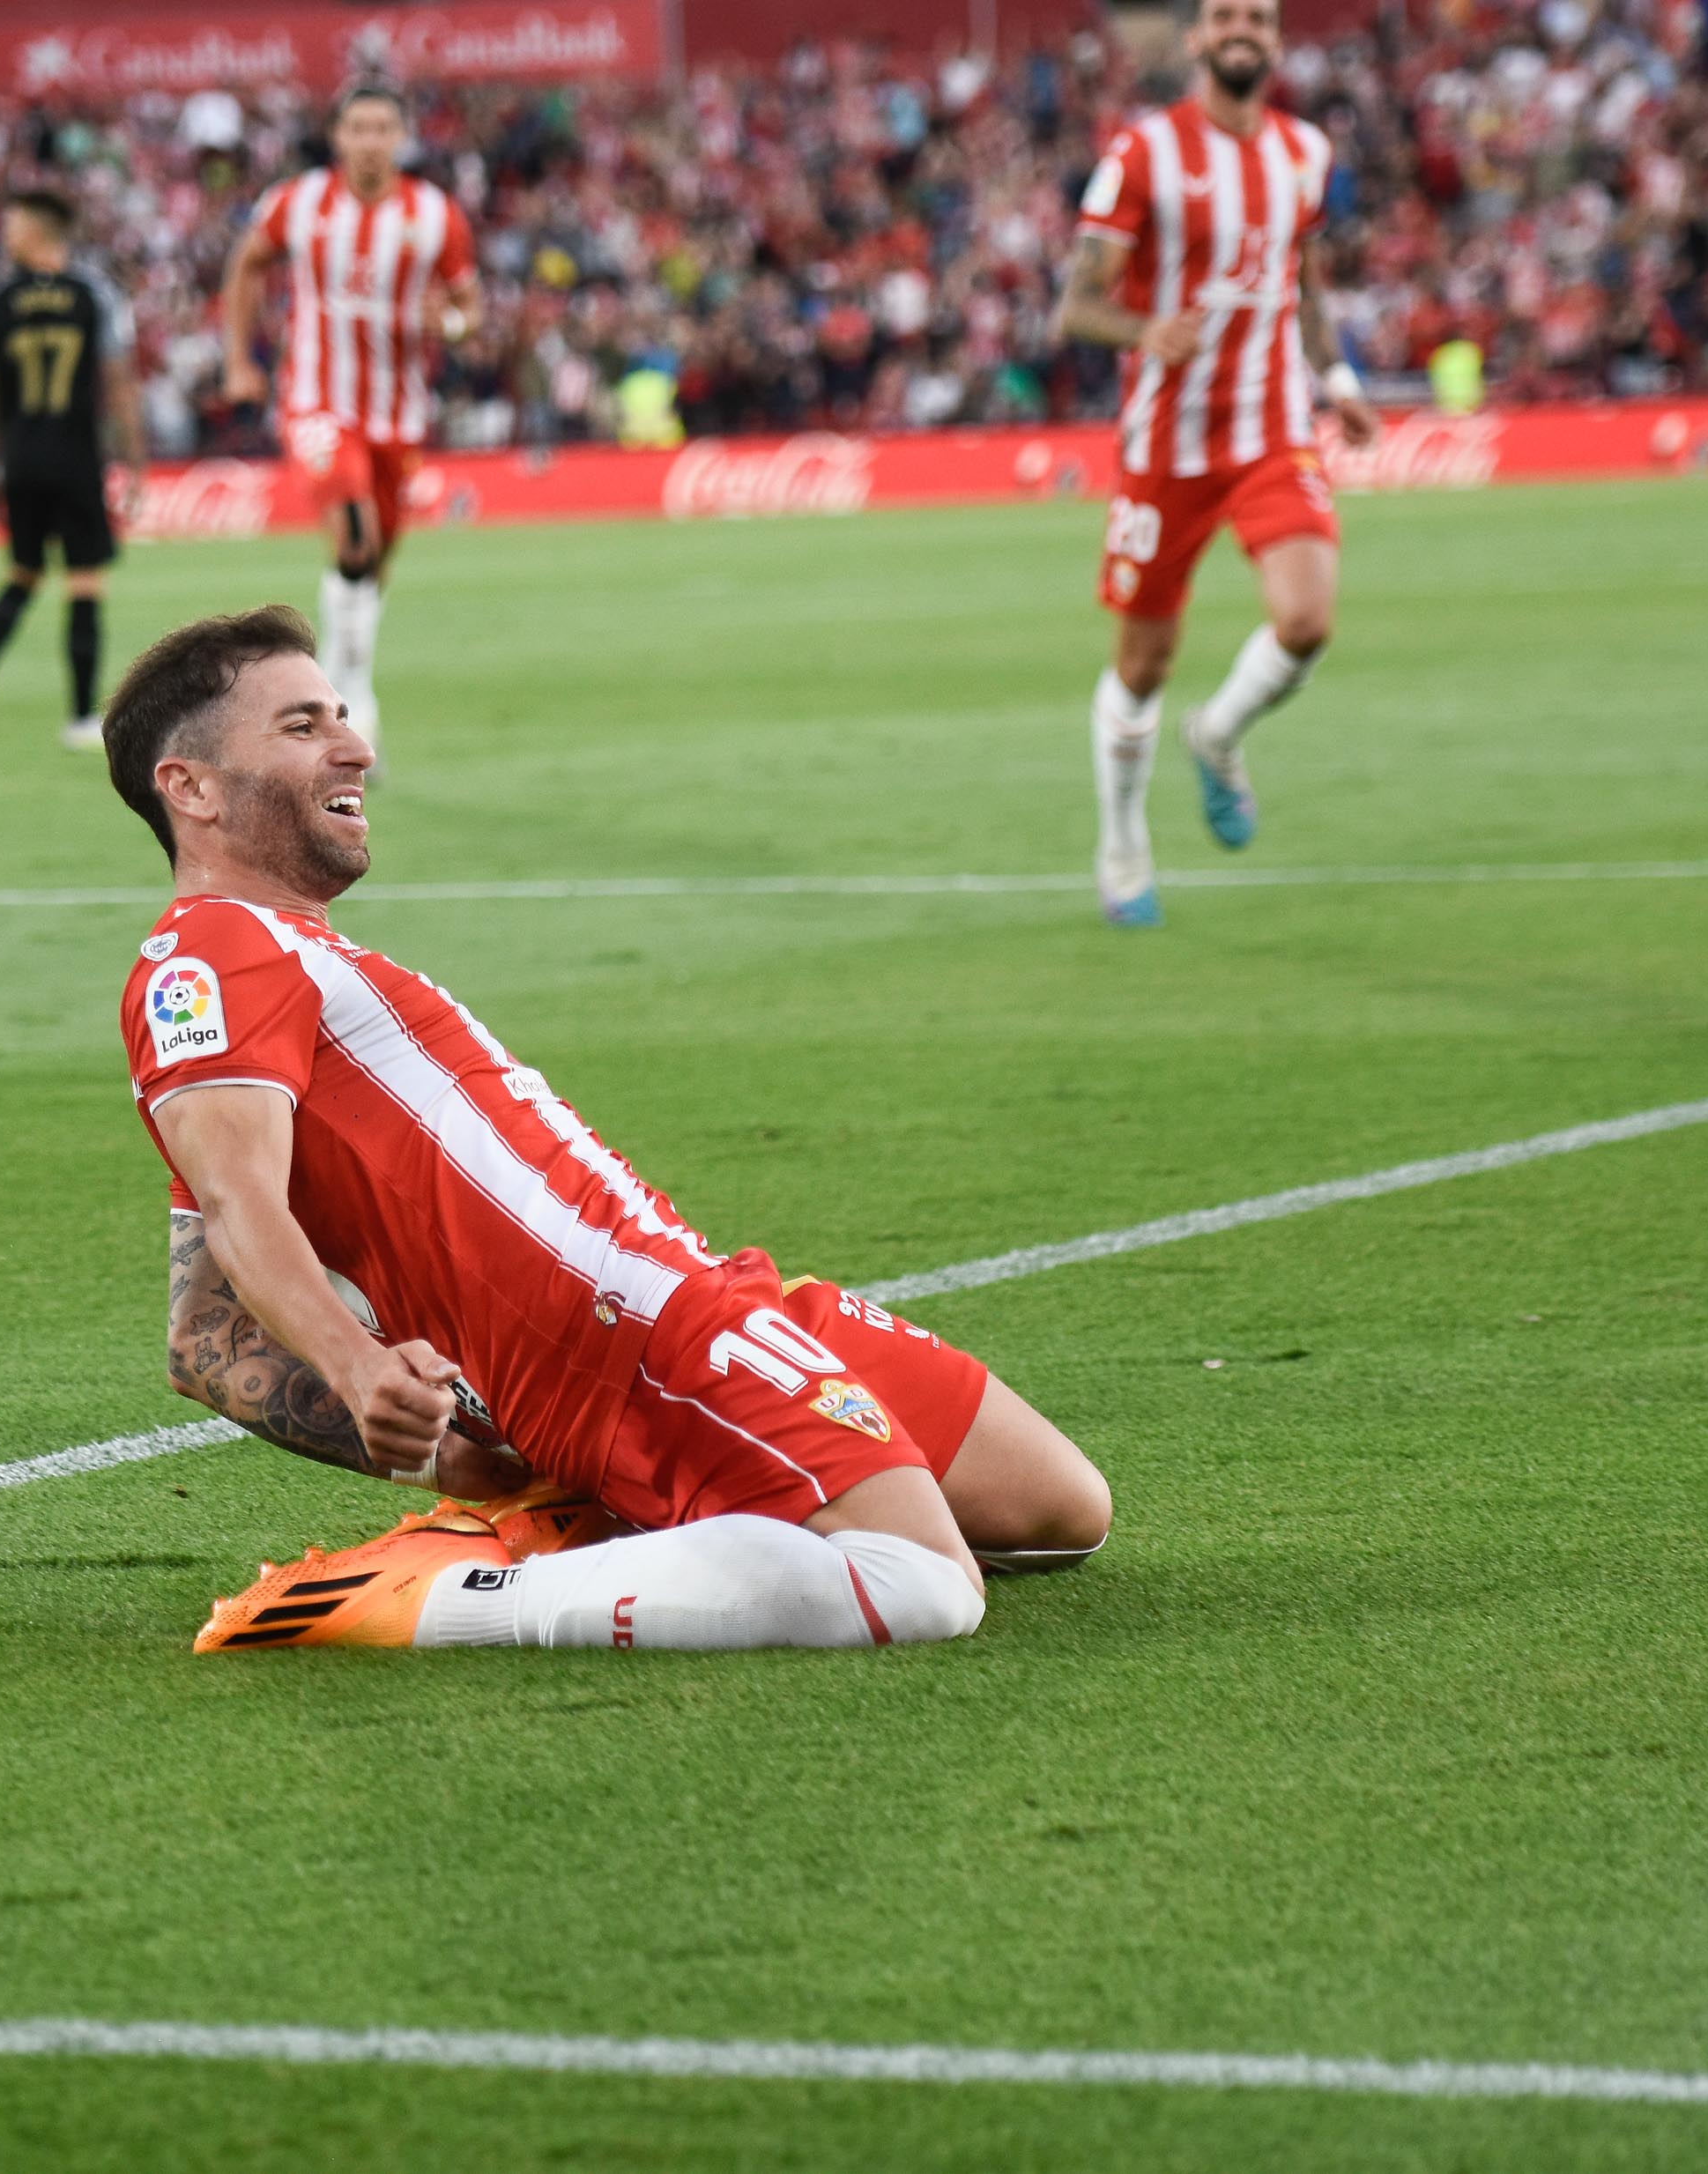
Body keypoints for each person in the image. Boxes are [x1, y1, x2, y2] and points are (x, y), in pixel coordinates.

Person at [107, 608, 1113, 1653]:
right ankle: (440, 1601)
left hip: (699, 1295)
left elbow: (203, 1339)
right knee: (923, 1586)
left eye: (342, 717)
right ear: (192, 787)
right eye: (303, 726)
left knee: (1058, 1514)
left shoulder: (286, 963)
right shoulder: (207, 956)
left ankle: (611, 1512)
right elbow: (237, 1208)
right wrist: (360, 1372)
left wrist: (457, 1458)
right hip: (622, 1335)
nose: (353, 747)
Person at [1051, 0, 1380, 927]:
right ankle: (1120, 844)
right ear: (1197, 40)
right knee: (1144, 662)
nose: (1245, 30)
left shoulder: (1304, 153)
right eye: (1227, 16)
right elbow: (1075, 305)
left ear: (1275, 42)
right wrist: (1143, 330)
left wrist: (1338, 376)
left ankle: (1218, 734)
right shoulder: (1143, 153)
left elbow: (1303, 280)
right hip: (1168, 447)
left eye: (1261, 19)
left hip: (1272, 431)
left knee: (1306, 619)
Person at [219, 85, 479, 760]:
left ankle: (338, 672)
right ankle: (354, 699)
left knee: (373, 558)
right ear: (337, 136)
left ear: (401, 137)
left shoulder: (434, 214)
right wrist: (238, 359)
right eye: (357, 127)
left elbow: (469, 307)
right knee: (355, 531)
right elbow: (245, 266)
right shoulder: (298, 202)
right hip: (315, 401)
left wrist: (447, 322)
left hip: (398, 411)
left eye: (382, 127)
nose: (369, 140)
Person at [0, 189, 143, 751]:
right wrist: (134, 458)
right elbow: (118, 379)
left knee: (23, 572)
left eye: (12, 224)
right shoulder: (94, 296)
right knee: (84, 582)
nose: (5, 234)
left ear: (39, 232)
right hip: (75, 455)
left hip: (20, 457)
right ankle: (81, 716)